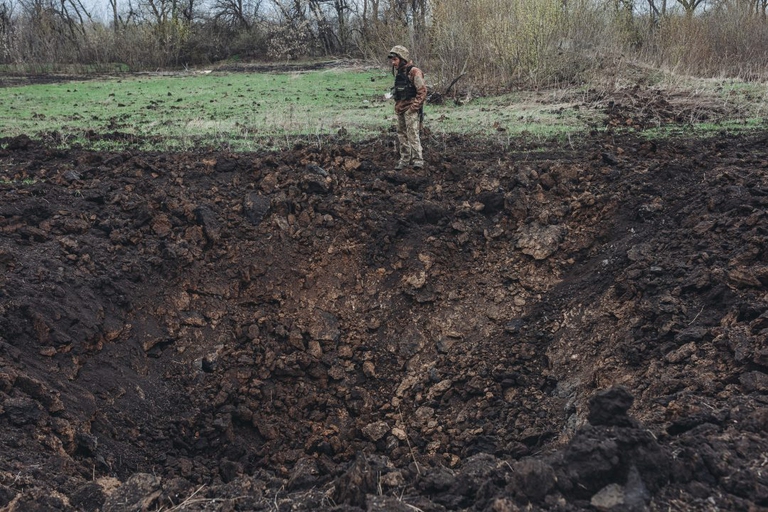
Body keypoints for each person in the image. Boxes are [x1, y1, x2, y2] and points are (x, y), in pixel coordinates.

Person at [388, 45, 427, 170]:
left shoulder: (414, 72)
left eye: (395, 59)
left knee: (413, 134)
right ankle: (405, 159)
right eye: (392, 60)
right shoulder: (400, 72)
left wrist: (413, 108)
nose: (393, 62)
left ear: (402, 58)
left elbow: (422, 91)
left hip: (410, 108)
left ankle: (418, 160)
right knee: (401, 134)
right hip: (400, 108)